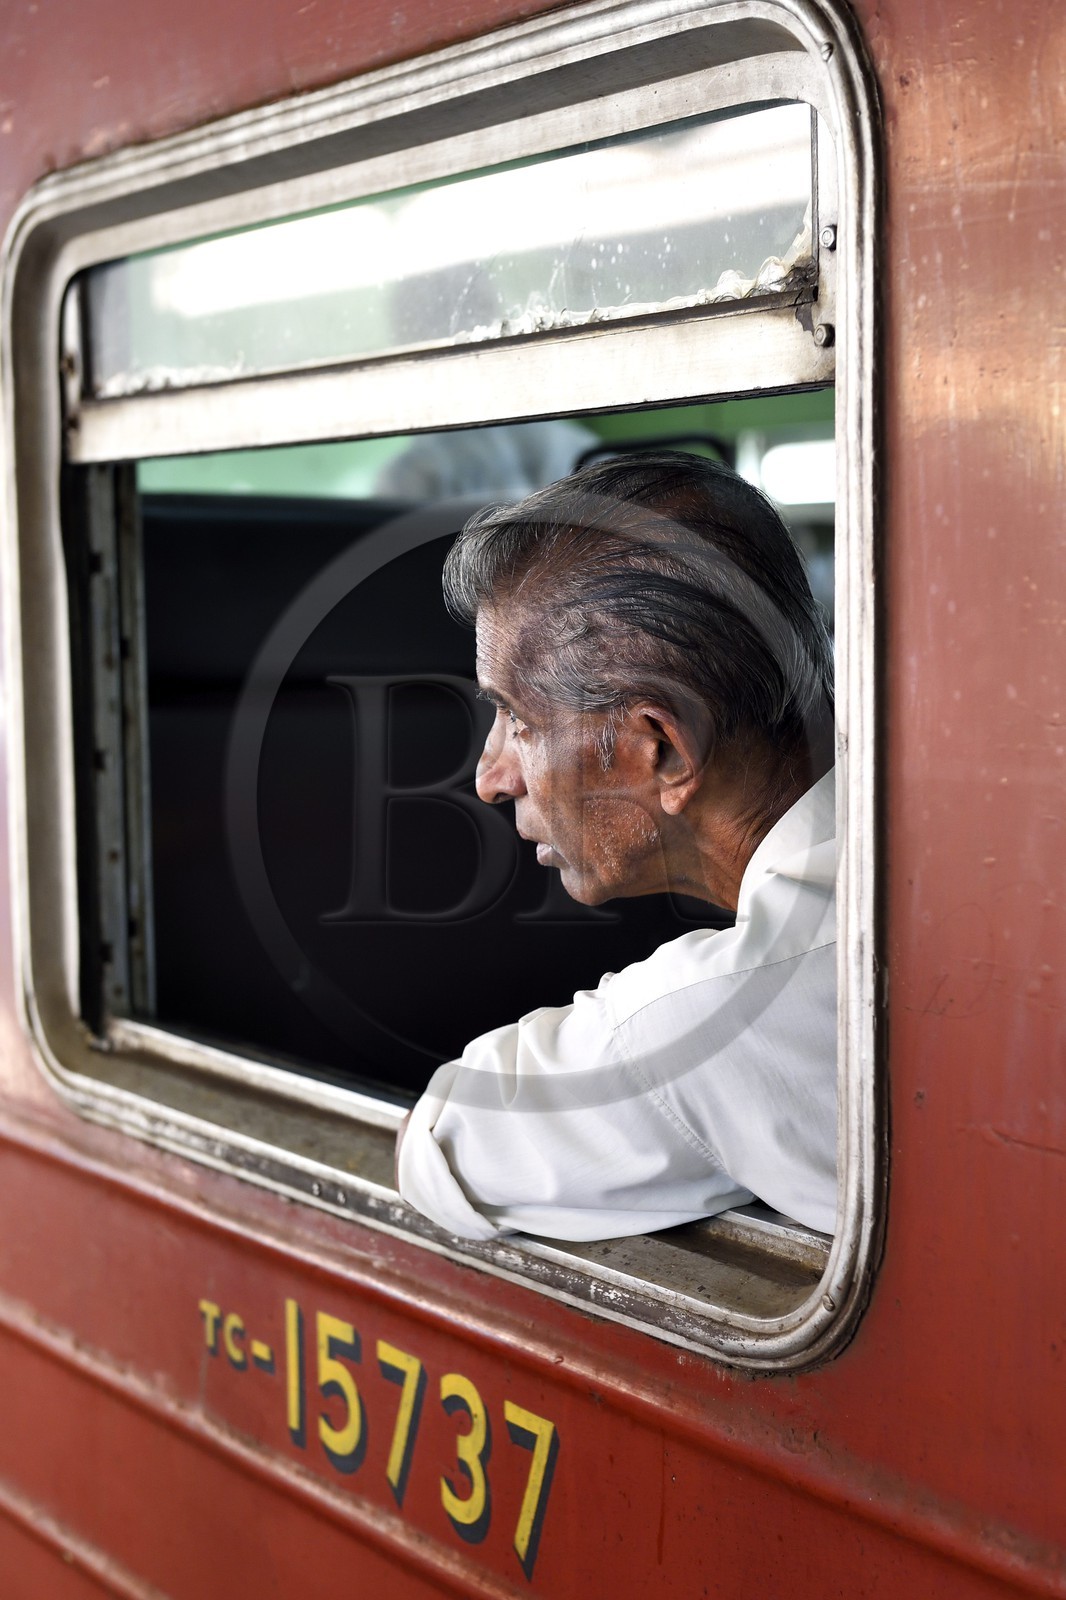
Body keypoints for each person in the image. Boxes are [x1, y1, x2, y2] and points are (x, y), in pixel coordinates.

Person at [396, 450, 837, 1241]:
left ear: (661, 749)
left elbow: (449, 1144)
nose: (492, 778)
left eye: (519, 721)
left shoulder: (715, 1018)